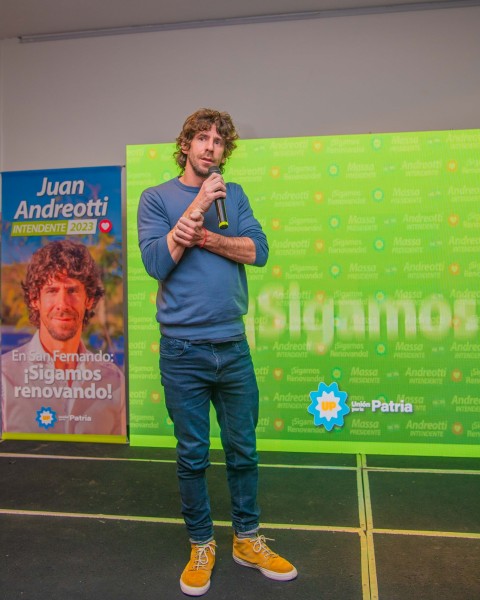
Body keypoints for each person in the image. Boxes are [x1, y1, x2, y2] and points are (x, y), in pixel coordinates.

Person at [137, 108, 297, 596]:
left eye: (219, 141)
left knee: (243, 449)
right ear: (185, 144)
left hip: (232, 346)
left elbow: (257, 251)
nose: (211, 147)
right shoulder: (156, 198)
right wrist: (200, 203)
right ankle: (201, 544)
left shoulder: (236, 195)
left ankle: (246, 539)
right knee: (192, 455)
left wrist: (205, 235)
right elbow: (157, 262)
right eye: (202, 138)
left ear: (225, 150)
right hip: (182, 351)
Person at [1, 239, 126, 436]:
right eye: (52, 290)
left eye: (72, 290)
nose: (63, 304)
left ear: (89, 299)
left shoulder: (113, 381)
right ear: (35, 299)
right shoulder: (4, 377)